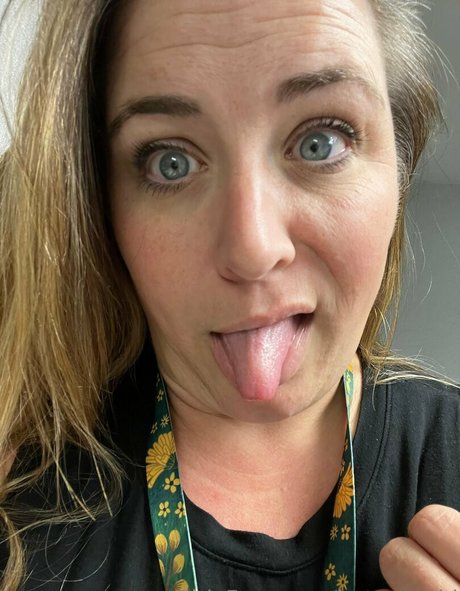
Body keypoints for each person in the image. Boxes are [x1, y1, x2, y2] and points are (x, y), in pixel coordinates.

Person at [0, 0, 459, 589]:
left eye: (321, 141)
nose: (252, 249)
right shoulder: (19, 501)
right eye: (170, 162)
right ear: (99, 206)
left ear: (399, 166)